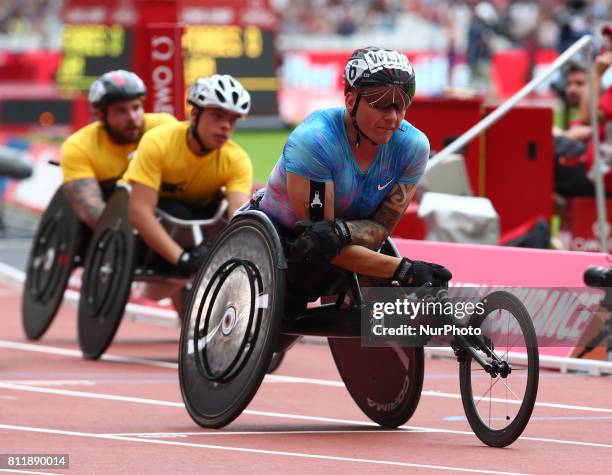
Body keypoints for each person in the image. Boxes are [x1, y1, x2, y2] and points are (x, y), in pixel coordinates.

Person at [258, 46, 451, 292]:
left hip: (344, 243)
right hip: (281, 239)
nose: (393, 118)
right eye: (380, 104)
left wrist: (341, 231)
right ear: (350, 100)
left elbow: (380, 230)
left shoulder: (414, 147)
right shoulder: (315, 139)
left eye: (401, 105)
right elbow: (319, 241)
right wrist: (404, 269)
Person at [123, 74, 253, 276]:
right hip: (148, 222)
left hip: (193, 224)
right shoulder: (158, 141)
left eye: (232, 119)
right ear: (194, 114)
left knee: (222, 215)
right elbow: (139, 210)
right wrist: (183, 258)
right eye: (217, 116)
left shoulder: (237, 160)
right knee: (179, 212)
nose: (226, 126)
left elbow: (238, 216)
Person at [60, 70, 176, 228]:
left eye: (136, 108)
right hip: (112, 217)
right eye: (121, 111)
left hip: (158, 207)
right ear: (101, 115)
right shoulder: (79, 146)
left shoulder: (164, 127)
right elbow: (91, 210)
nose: (132, 118)